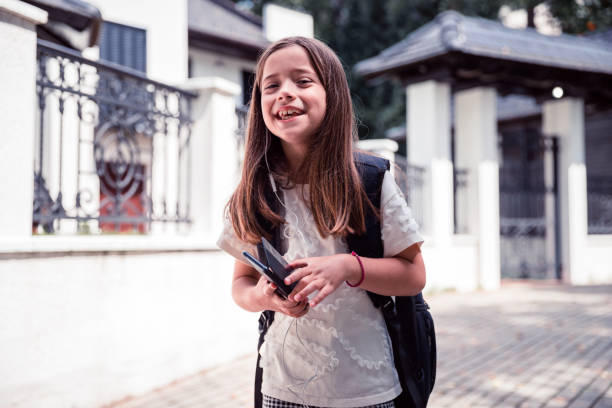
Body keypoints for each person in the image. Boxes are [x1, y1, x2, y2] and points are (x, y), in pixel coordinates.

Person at [217, 36, 426, 408]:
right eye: (271, 85)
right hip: (282, 389)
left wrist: (347, 266)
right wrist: (264, 297)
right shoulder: (256, 190)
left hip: (367, 389)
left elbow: (413, 275)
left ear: (333, 95)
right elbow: (240, 285)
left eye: (302, 81)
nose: (284, 93)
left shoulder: (371, 180)